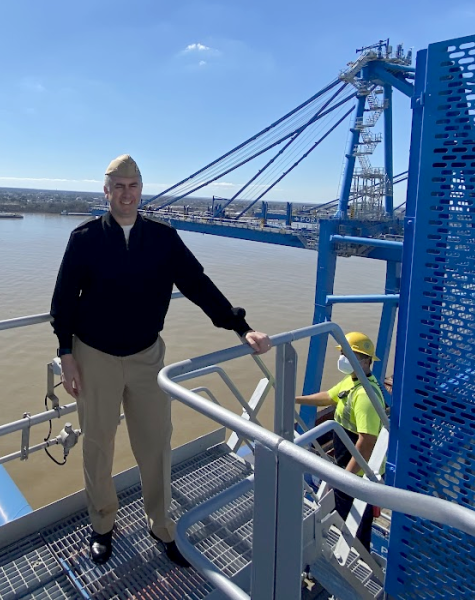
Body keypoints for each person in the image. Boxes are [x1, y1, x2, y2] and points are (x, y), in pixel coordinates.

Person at [51, 154, 272, 566]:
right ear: (106, 191)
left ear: (141, 190)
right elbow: (63, 301)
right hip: (94, 354)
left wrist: (242, 328)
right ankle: (102, 525)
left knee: (155, 445)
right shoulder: (84, 239)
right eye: (117, 185)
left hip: (146, 356)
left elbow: (197, 285)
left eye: (132, 186)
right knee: (98, 445)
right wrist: (66, 354)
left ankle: (162, 526)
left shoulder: (163, 238)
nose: (125, 193)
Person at [295, 331, 386, 551]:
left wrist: (346, 478)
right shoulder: (352, 381)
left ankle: (360, 555)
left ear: (365, 361)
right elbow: (329, 396)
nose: (342, 358)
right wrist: (296, 398)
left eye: (348, 354)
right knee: (345, 512)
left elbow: (366, 441)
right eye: (343, 353)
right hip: (346, 463)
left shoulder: (365, 395)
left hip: (357, 473)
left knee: (356, 519)